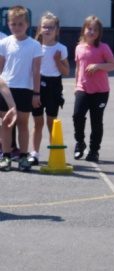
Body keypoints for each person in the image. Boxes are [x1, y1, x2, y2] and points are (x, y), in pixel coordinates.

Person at [0, 5, 42, 172]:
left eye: (20, 24)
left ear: (27, 24)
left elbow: (36, 72)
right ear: (8, 24)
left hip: (25, 89)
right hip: (6, 90)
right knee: (6, 124)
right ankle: (6, 156)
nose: (17, 27)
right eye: (13, 24)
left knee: (23, 124)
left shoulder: (34, 45)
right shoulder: (4, 43)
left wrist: (36, 93)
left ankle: (23, 156)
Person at [73, 16, 114, 163]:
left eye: (95, 30)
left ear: (99, 33)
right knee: (77, 115)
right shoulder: (79, 47)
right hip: (83, 88)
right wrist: (76, 86)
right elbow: (78, 68)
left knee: (96, 121)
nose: (92, 32)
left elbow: (113, 65)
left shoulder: (103, 48)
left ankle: (94, 151)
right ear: (84, 30)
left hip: (100, 91)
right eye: (89, 29)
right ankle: (80, 143)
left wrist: (98, 66)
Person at [28, 11, 69, 167]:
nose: (47, 30)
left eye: (51, 27)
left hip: (54, 86)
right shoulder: (34, 46)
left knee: (51, 122)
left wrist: (57, 61)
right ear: (39, 28)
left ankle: (54, 154)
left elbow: (66, 71)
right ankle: (34, 153)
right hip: (37, 85)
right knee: (37, 122)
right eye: (44, 27)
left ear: (57, 30)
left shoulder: (61, 49)